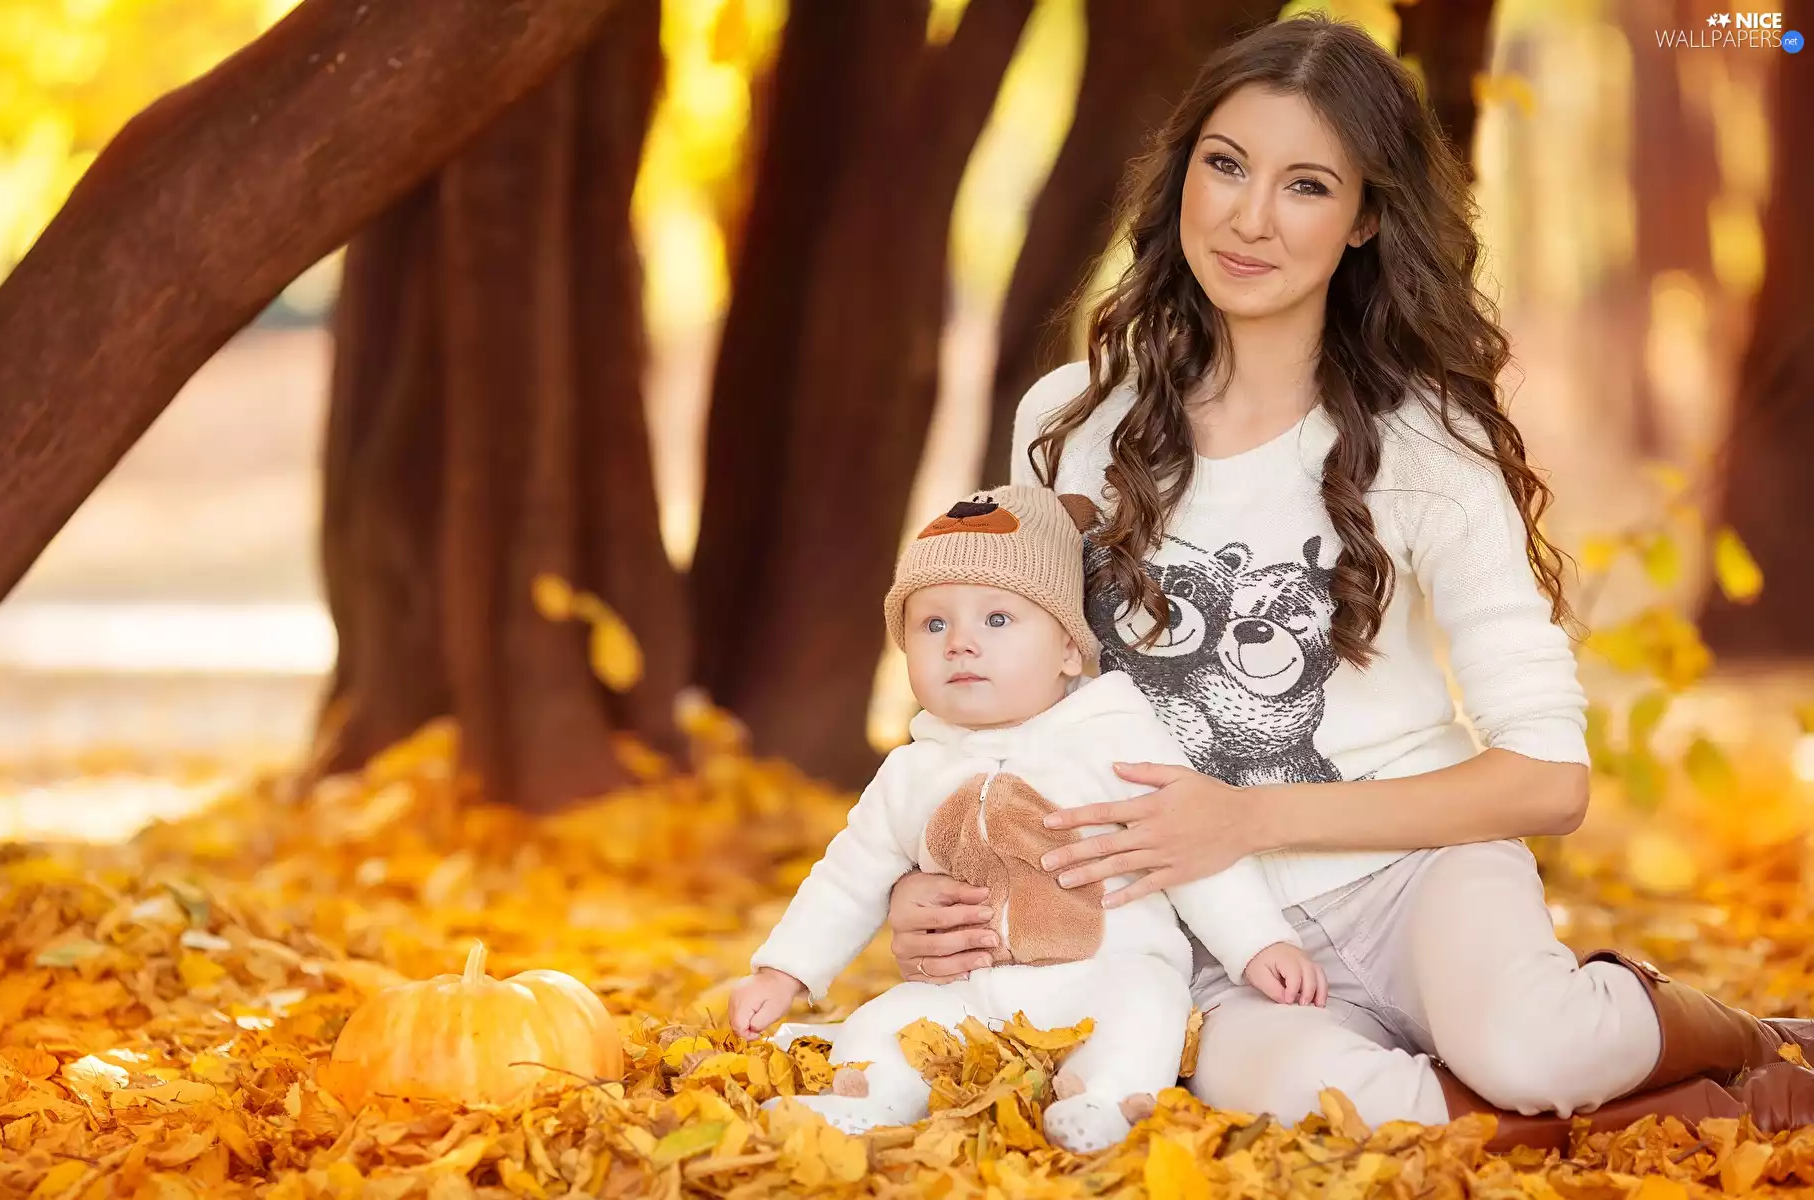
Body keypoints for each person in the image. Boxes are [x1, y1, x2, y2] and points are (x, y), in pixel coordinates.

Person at [881, 14, 1814, 1151]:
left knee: (1528, 1048)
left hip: (1421, 883)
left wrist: (1248, 818)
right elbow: (1006, 705)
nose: (1250, 217)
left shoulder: (1429, 445)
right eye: (1225, 165)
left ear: (1367, 217)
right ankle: (1674, 1108)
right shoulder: (1072, 423)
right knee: (1347, 1117)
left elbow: (1550, 779)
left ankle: (1734, 1038)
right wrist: (920, 891)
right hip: (1206, 941)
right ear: (1184, 174)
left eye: (1308, 185)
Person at [730, 484, 1322, 1152]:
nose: (960, 644)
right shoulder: (911, 772)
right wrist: (783, 972)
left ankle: (1105, 1101)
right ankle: (876, 1098)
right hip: (970, 986)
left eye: (998, 620)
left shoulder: (1116, 739)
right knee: (889, 1020)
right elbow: (847, 880)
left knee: (1147, 1007)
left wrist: (1258, 943)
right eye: (933, 625)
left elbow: (1188, 853)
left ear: (1070, 650)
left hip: (1105, 970)